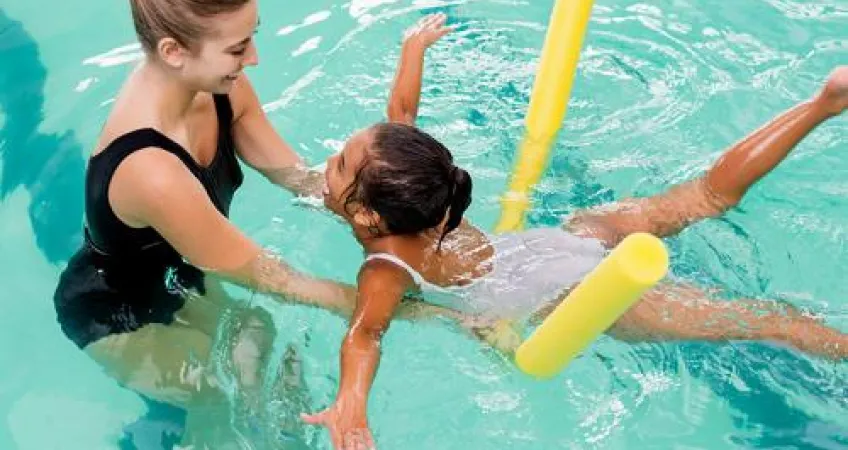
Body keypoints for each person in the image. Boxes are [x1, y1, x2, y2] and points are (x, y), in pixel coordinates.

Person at [301, 13, 848, 449]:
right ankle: (823, 103)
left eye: (341, 163)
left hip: (576, 295)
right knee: (703, 195)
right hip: (561, 240)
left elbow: (365, 333)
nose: (330, 162)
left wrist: (351, 400)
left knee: (767, 324)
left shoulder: (383, 266)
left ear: (368, 216)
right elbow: (402, 114)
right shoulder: (423, 189)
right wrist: (412, 51)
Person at [51, 1, 473, 447]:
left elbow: (303, 181)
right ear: (175, 51)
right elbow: (283, 281)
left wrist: (395, 213)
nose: (253, 58)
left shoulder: (219, 89)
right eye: (237, 49)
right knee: (216, 390)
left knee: (259, 334)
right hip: (116, 312)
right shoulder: (152, 173)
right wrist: (432, 314)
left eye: (252, 37)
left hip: (180, 275)